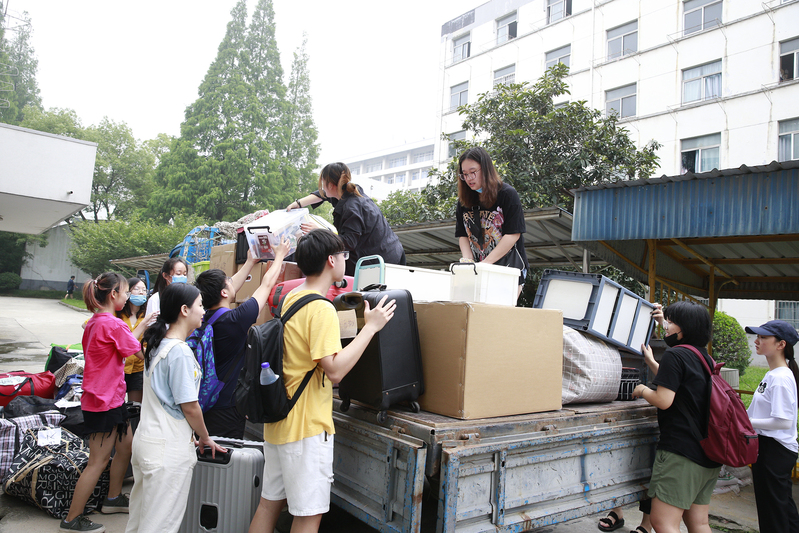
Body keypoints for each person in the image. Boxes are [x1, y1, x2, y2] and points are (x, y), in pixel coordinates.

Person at [247, 229, 396, 533]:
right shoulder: (320, 308)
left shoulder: (292, 298)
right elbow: (335, 370)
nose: (345, 260)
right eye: (343, 255)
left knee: (268, 505)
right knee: (308, 516)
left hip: (279, 422)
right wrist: (371, 327)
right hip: (306, 429)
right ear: (331, 260)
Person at [125, 283, 226, 533]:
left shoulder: (157, 344)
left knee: (139, 521)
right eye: (200, 305)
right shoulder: (179, 352)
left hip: (146, 440)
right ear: (184, 310)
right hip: (166, 448)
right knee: (160, 525)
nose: (203, 311)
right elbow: (190, 406)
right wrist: (205, 436)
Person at [60, 273, 144, 533]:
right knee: (98, 461)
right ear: (113, 294)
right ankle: (72, 519)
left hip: (111, 398)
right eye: (126, 292)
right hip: (103, 401)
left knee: (126, 445)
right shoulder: (113, 324)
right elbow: (137, 352)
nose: (128, 297)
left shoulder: (95, 322)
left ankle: (113, 498)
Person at [632, 301, 720, 533]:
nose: (666, 326)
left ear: (684, 328)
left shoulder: (675, 354)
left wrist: (643, 390)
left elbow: (664, 399)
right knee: (699, 523)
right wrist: (652, 362)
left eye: (670, 322)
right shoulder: (704, 357)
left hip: (681, 454)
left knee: (664, 522)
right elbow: (680, 386)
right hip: (707, 453)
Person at [193, 238, 291, 439]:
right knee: (224, 455)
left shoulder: (205, 318)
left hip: (207, 399)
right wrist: (280, 255)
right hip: (227, 407)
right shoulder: (235, 321)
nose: (232, 282)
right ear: (223, 291)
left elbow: (228, 289)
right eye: (228, 281)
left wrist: (250, 262)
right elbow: (266, 284)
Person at [598, 304, 664, 533]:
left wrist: (662, 323)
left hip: (651, 406)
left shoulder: (667, 343)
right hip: (617, 403)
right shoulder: (606, 336)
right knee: (614, 460)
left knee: (648, 466)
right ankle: (616, 510)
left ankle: (646, 524)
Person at [287, 162, 405, 276]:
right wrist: (298, 203)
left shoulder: (351, 208)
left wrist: (319, 232)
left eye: (323, 184)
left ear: (331, 185)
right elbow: (322, 195)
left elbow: (348, 242)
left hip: (381, 260)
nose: (322, 188)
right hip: (391, 252)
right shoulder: (349, 192)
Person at [743, 320, 799, 532]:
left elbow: (783, 421)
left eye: (763, 337)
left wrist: (746, 422)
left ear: (781, 344)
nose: (757, 341)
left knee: (773, 511)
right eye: (757, 337)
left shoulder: (781, 378)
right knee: (781, 508)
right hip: (770, 448)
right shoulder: (773, 374)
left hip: (774, 450)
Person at [454, 147, 529, 300]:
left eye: (473, 172)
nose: (469, 178)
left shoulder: (507, 194)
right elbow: (462, 234)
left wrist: (486, 264)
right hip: (479, 271)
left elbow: (513, 234)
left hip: (508, 269)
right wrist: (468, 261)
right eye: (464, 174)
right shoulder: (464, 201)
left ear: (486, 169)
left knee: (500, 311)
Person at [116, 277, 157, 403]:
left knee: (135, 406)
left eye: (144, 290)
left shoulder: (148, 315)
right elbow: (86, 324)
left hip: (138, 367)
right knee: (116, 404)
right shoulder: (117, 314)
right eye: (137, 289)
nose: (141, 292)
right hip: (119, 367)